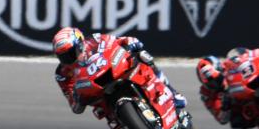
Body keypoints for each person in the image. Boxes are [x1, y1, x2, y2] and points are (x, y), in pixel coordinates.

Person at [53, 27, 186, 114]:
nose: (68, 58)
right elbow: (74, 106)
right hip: (97, 92)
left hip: (112, 70)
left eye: (71, 53)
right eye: (63, 56)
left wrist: (130, 43)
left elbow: (117, 41)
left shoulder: (94, 40)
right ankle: (129, 125)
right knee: (100, 111)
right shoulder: (62, 74)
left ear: (80, 44)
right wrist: (78, 98)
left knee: (143, 56)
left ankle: (173, 92)